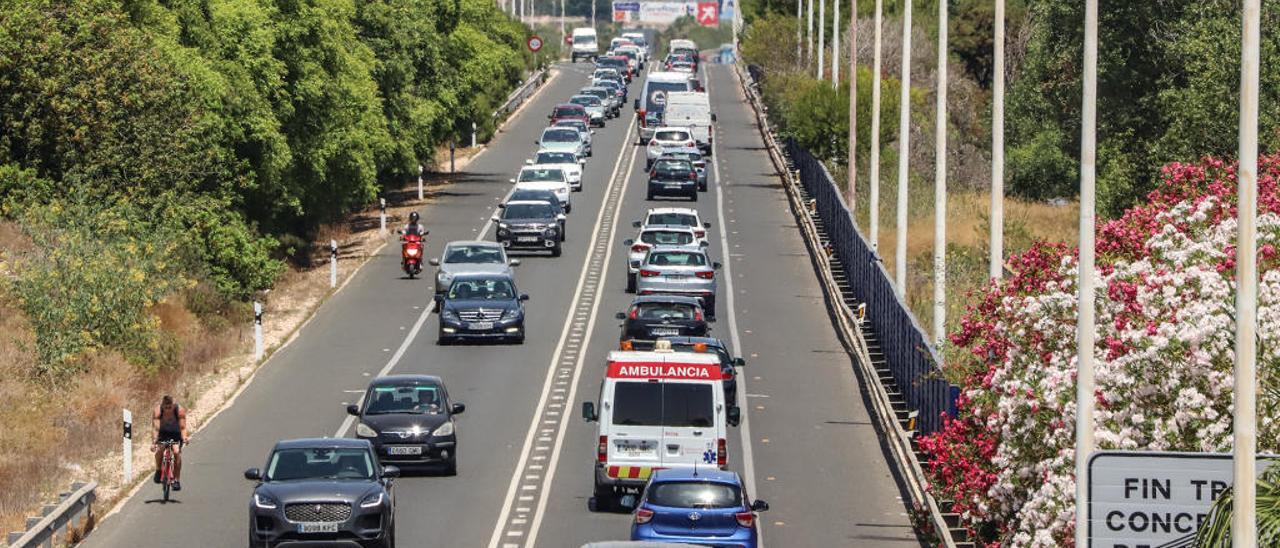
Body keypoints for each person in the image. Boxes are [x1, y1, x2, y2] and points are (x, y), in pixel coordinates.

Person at [152, 395, 188, 490]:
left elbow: (183, 427)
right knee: (159, 451)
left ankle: (176, 480)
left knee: (176, 452)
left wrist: (184, 438)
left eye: (170, 407)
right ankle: (158, 470)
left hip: (176, 432)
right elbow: (156, 428)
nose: (168, 409)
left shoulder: (179, 410)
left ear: (173, 405)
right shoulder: (158, 411)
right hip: (163, 432)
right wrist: (154, 442)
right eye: (165, 407)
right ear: (162, 405)